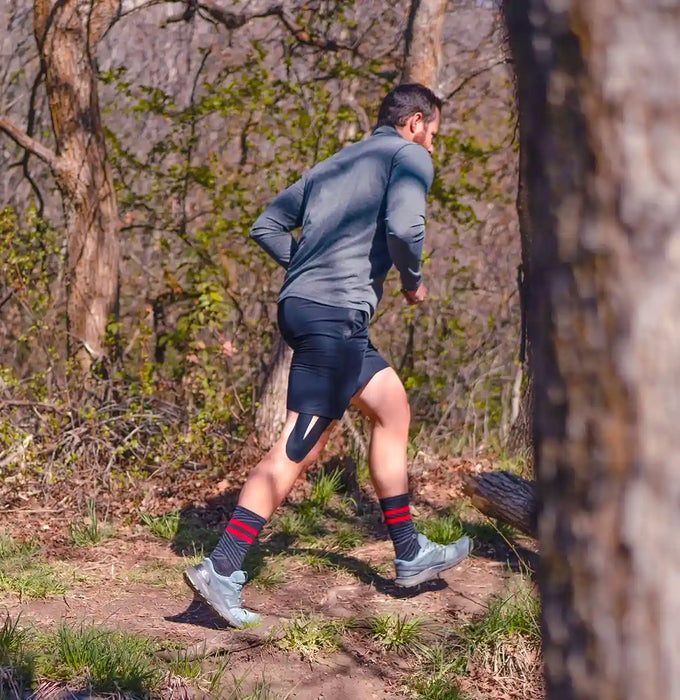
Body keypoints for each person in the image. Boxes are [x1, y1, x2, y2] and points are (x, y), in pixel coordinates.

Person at [184, 83, 472, 628]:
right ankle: (220, 569)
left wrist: (304, 268)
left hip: (312, 311)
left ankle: (409, 553)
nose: (432, 146)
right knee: (301, 443)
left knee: (391, 409)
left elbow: (266, 224)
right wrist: (412, 281)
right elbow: (406, 229)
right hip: (334, 315)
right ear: (415, 123)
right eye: (433, 134)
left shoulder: (335, 165)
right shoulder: (408, 157)